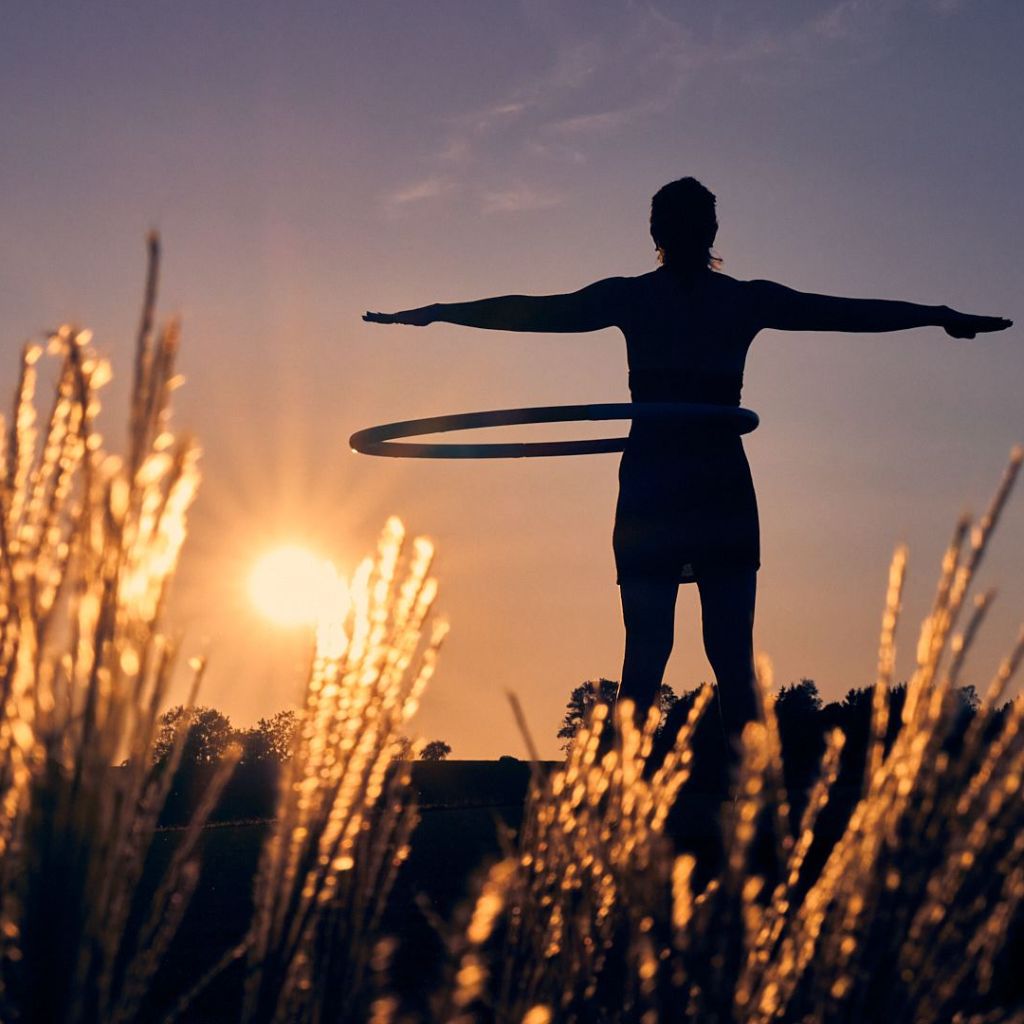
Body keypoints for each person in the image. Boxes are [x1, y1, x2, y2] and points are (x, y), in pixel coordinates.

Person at [363, 177, 1011, 762]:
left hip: (675, 483)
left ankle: (693, 798)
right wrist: (936, 316)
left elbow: (841, 313)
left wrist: (441, 311)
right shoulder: (711, 301)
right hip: (693, 481)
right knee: (697, 655)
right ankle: (707, 800)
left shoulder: (668, 299)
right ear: (706, 231)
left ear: (659, 233)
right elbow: (536, 312)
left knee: (676, 655)